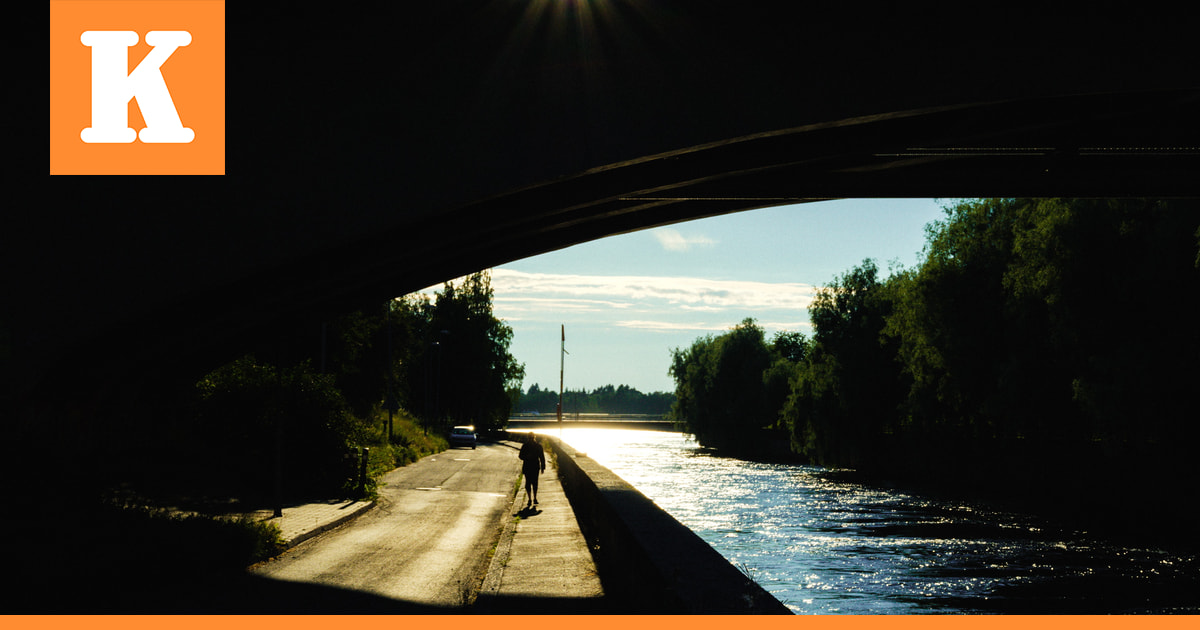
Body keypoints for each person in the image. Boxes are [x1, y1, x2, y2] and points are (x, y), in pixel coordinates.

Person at [518, 432, 546, 509]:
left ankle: (531, 498)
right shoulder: (538, 446)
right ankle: (534, 498)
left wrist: (526, 457)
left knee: (529, 483)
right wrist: (543, 467)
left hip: (528, 466)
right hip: (535, 466)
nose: (531, 439)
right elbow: (542, 458)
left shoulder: (525, 446)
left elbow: (520, 456)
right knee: (534, 483)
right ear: (534, 437)